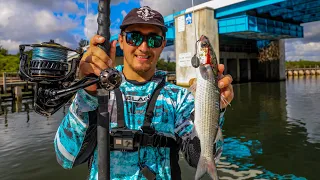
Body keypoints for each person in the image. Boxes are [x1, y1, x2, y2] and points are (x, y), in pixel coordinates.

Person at [53, 6, 234, 180]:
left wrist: (215, 108)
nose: (144, 47)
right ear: (121, 41)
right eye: (134, 37)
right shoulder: (97, 91)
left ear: (163, 44)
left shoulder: (179, 99)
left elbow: (200, 157)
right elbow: (65, 157)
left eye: (153, 39)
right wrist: (87, 94)